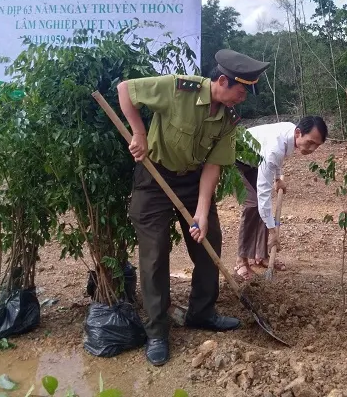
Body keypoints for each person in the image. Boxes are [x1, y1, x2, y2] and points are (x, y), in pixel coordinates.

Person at [117, 49, 270, 366]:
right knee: (155, 250)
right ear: (223, 81)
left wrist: (201, 211)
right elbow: (125, 91)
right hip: (154, 177)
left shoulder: (228, 119)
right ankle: (157, 331)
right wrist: (139, 133)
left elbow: (213, 166)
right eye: (241, 90)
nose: (242, 98)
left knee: (209, 240)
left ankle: (202, 312)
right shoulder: (179, 87)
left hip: (192, 181)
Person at [233, 116, 329, 280]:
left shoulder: (289, 133)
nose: (312, 149)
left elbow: (278, 157)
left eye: (317, 146)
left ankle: (261, 255)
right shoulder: (274, 148)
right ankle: (241, 261)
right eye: (310, 142)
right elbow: (264, 192)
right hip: (233, 160)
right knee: (254, 204)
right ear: (298, 133)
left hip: (254, 159)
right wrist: (273, 231)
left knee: (263, 207)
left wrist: (278, 178)